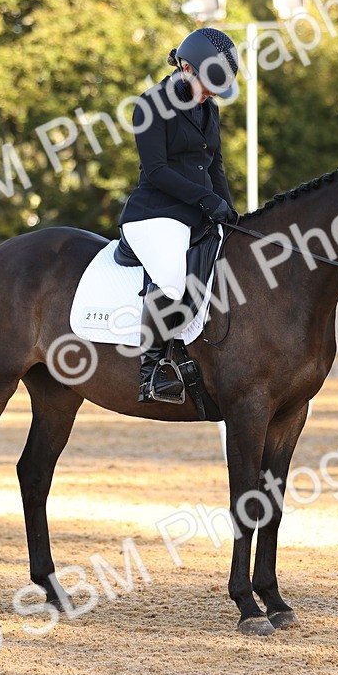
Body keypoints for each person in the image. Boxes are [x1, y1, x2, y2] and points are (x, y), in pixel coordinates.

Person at [118, 28, 240, 403]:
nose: (209, 96)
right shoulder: (150, 104)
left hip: (197, 214)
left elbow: (215, 166)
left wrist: (231, 212)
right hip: (154, 214)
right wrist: (207, 201)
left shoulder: (209, 109)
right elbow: (156, 170)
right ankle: (150, 372)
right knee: (172, 283)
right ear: (186, 68)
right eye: (206, 86)